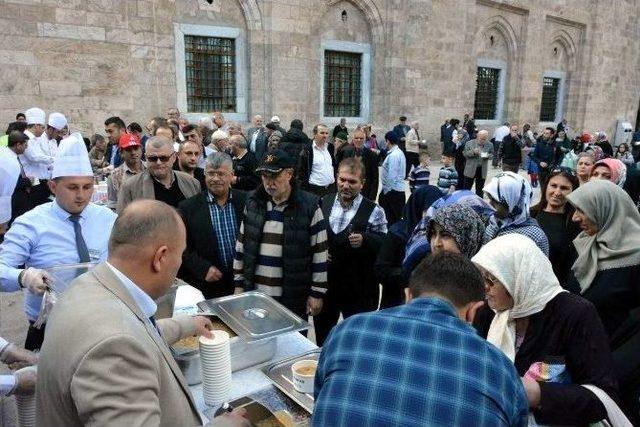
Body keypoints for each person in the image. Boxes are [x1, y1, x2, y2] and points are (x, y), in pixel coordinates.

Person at [36, 200, 247, 426]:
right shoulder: (115, 348)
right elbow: (123, 339)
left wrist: (187, 325)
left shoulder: (87, 286)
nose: (179, 263)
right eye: (180, 255)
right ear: (160, 258)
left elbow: (137, 330)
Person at [313, 252, 529, 427]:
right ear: (474, 311)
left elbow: (320, 399)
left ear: (408, 296)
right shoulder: (501, 370)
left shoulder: (348, 331)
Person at [472, 234, 621, 426]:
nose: (484, 288)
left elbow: (602, 398)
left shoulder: (574, 315)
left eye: (492, 279)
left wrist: (538, 394)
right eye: (481, 278)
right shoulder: (491, 313)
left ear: (519, 278)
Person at [0, 136, 117, 350]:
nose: (81, 196)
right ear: (53, 186)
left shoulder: (107, 218)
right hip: (48, 328)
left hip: (99, 322)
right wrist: (23, 276)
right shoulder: (31, 223)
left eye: (87, 187)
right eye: (72, 187)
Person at [565, 180, 640, 421]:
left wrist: (615, 368)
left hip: (618, 370)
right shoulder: (584, 245)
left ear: (606, 209)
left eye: (582, 210)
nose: (576, 218)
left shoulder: (636, 257)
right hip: (581, 360)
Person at [233, 149, 328, 318]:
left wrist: (317, 293)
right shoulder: (253, 203)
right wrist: (239, 284)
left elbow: (320, 253)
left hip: (293, 297)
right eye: (264, 176)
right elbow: (241, 247)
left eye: (274, 176)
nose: (269, 183)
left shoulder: (309, 206)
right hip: (255, 295)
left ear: (289, 174)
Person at [313, 158, 387, 346]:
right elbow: (313, 235)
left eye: (352, 182)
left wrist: (366, 240)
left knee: (359, 339)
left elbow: (384, 244)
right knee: (324, 337)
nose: (346, 185)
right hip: (327, 287)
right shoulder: (324, 202)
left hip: (359, 289)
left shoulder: (374, 210)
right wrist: (321, 250)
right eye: (342, 180)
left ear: (362, 184)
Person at [179, 153, 247, 299]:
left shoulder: (246, 201)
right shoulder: (188, 208)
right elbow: (182, 246)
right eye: (211, 174)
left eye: (221, 174)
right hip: (208, 285)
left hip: (243, 282)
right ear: (204, 174)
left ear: (232, 175)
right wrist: (202, 268)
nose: (215, 179)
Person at [374, 186, 442, 308]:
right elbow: (381, 270)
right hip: (395, 304)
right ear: (417, 206)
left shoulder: (438, 237)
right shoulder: (397, 233)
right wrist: (411, 273)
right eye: (428, 210)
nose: (432, 216)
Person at [117, 136, 201, 212]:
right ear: (146, 158)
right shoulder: (130, 187)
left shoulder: (192, 183)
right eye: (153, 158)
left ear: (174, 157)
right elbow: (122, 223)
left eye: (164, 158)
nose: (158, 162)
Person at [530, 168, 581, 286]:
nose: (557, 192)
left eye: (564, 188)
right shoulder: (530, 216)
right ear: (546, 186)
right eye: (553, 185)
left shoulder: (575, 223)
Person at [483, 171, 549, 255]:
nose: (490, 204)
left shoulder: (534, 237)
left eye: (495, 201)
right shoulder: (493, 223)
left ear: (513, 202)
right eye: (490, 199)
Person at [21, 107, 54, 206]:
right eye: (43, 127)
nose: (44, 131)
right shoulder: (26, 138)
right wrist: (54, 159)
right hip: (33, 182)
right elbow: (35, 157)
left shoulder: (36, 139)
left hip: (41, 182)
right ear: (36, 126)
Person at [0, 131, 32, 232]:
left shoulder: (4, 152)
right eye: (25, 145)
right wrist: (4, 221)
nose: (26, 148)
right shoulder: (11, 163)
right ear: (18, 145)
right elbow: (6, 194)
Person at [337, 129, 379, 201]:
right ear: (353, 140)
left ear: (365, 140)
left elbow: (375, 178)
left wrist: (372, 198)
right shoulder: (347, 152)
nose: (358, 140)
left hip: (365, 193)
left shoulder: (372, 155)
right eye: (356, 138)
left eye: (361, 138)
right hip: (348, 190)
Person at [107, 133, 146, 207]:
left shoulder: (150, 169)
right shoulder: (114, 176)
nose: (133, 152)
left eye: (136, 148)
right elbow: (113, 204)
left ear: (141, 149)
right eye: (128, 149)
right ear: (121, 153)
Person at [297, 124, 336, 197]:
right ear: (314, 134)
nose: (325, 136)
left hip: (331, 189)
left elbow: (333, 166)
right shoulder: (307, 150)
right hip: (315, 190)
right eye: (322, 133)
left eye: (326, 133)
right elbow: (301, 173)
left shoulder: (330, 147)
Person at [378, 131, 406, 225]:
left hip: (393, 192)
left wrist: (385, 192)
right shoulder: (399, 152)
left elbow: (392, 176)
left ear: (388, 141)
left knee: (390, 220)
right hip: (396, 191)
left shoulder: (394, 155)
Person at [462, 129, 494, 196]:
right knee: (466, 189)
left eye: (484, 139)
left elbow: (492, 155)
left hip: (482, 170)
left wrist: (484, 155)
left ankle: (479, 203)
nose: (482, 141)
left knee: (480, 190)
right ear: (477, 136)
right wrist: (473, 152)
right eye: (481, 139)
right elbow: (465, 154)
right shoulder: (469, 143)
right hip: (470, 169)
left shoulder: (490, 144)